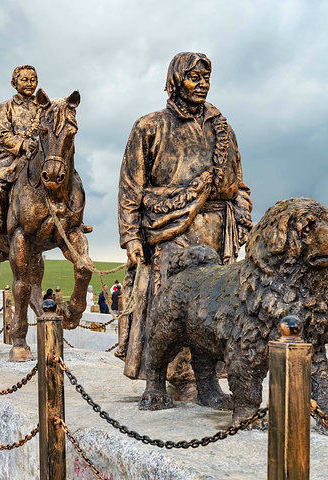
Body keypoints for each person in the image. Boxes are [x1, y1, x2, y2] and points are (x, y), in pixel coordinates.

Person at [116, 52, 253, 387]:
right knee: (170, 305)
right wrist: (132, 236)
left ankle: (207, 381)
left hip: (216, 231)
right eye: (194, 77)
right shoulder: (149, 126)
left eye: (206, 78)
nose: (202, 84)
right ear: (176, 80)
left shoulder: (222, 128)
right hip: (168, 232)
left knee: (212, 306)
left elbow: (239, 183)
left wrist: (243, 215)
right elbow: (130, 186)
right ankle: (172, 377)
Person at [0, 65, 40, 234]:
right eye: (24, 80)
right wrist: (23, 144)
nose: (29, 84)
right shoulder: (6, 106)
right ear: (14, 83)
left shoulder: (43, 106)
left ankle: (73, 220)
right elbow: (2, 133)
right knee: (0, 178)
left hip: (40, 153)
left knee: (64, 174)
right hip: (12, 153)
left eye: (33, 80)